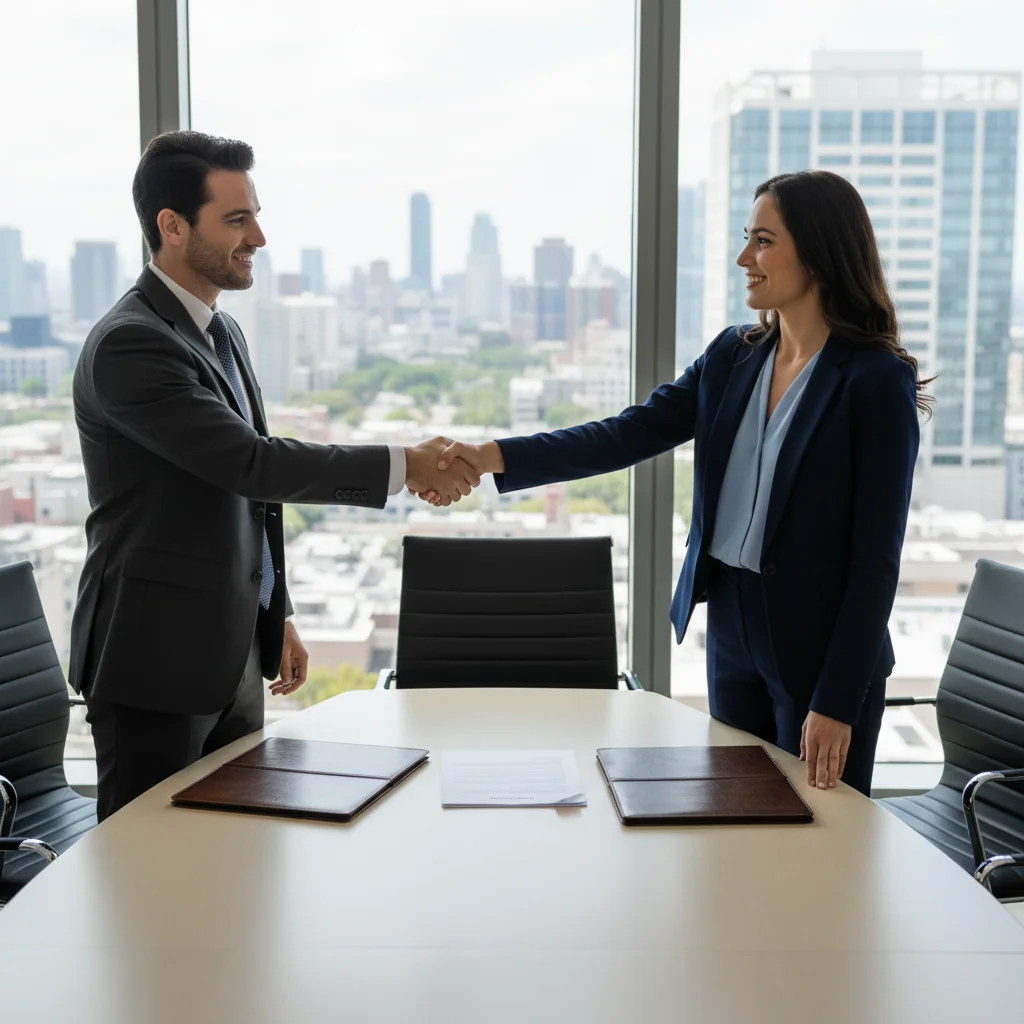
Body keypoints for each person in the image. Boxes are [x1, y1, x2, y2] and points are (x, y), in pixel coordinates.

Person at [417, 170, 929, 797]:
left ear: (819, 253)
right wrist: (491, 455)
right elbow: (625, 434)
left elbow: (876, 563)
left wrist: (839, 698)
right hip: (733, 626)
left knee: (825, 841)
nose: (745, 258)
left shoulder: (874, 382)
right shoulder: (733, 356)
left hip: (823, 644)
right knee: (737, 820)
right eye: (747, 238)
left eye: (763, 241)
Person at [71, 131, 478, 820]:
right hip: (154, 661)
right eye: (236, 219)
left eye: (255, 215)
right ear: (171, 227)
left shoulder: (218, 332)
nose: (258, 236)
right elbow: (253, 461)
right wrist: (405, 465)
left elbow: (247, 495)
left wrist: (272, 610)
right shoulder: (131, 344)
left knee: (232, 862)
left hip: (227, 651)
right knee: (150, 880)